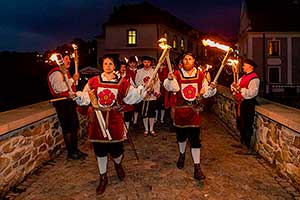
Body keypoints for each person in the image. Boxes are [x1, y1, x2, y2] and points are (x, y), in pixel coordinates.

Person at [75, 55, 147, 195]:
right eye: (105, 63)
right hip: (98, 120)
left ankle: (118, 164)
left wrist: (142, 91)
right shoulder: (93, 81)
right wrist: (78, 96)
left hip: (114, 119)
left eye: (110, 64)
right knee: (100, 150)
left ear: (115, 66)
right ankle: (103, 177)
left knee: (117, 150)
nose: (108, 66)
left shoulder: (122, 82)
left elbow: (131, 97)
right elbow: (85, 96)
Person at [163, 52, 217, 180]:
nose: (187, 61)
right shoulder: (176, 74)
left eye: (190, 59)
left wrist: (211, 88)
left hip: (194, 112)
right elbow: (171, 88)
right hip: (180, 111)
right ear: (182, 61)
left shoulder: (201, 75)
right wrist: (169, 79)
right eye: (185, 59)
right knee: (181, 137)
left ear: (194, 61)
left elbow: (206, 92)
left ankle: (197, 167)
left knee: (195, 140)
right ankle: (182, 155)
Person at [47, 53, 88, 160]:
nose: (69, 61)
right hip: (62, 104)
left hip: (69, 103)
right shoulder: (56, 73)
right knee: (68, 128)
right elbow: (59, 88)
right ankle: (71, 152)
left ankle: (75, 150)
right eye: (66, 59)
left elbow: (70, 89)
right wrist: (73, 79)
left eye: (69, 59)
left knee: (74, 127)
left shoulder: (64, 72)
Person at [231, 58, 260, 155]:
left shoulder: (254, 78)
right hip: (241, 103)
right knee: (241, 123)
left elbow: (253, 93)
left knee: (247, 124)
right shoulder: (243, 77)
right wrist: (234, 87)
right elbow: (237, 87)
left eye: (244, 65)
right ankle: (242, 143)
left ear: (250, 67)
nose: (243, 66)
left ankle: (247, 147)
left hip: (248, 104)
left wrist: (241, 89)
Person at [135, 56, 160, 137]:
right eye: (145, 62)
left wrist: (154, 91)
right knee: (144, 113)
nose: (147, 64)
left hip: (152, 96)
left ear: (151, 63)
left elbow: (157, 83)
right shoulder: (139, 71)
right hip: (144, 95)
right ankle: (146, 129)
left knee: (151, 113)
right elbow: (137, 82)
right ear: (142, 62)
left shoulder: (154, 71)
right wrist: (144, 88)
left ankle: (152, 129)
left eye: (148, 62)